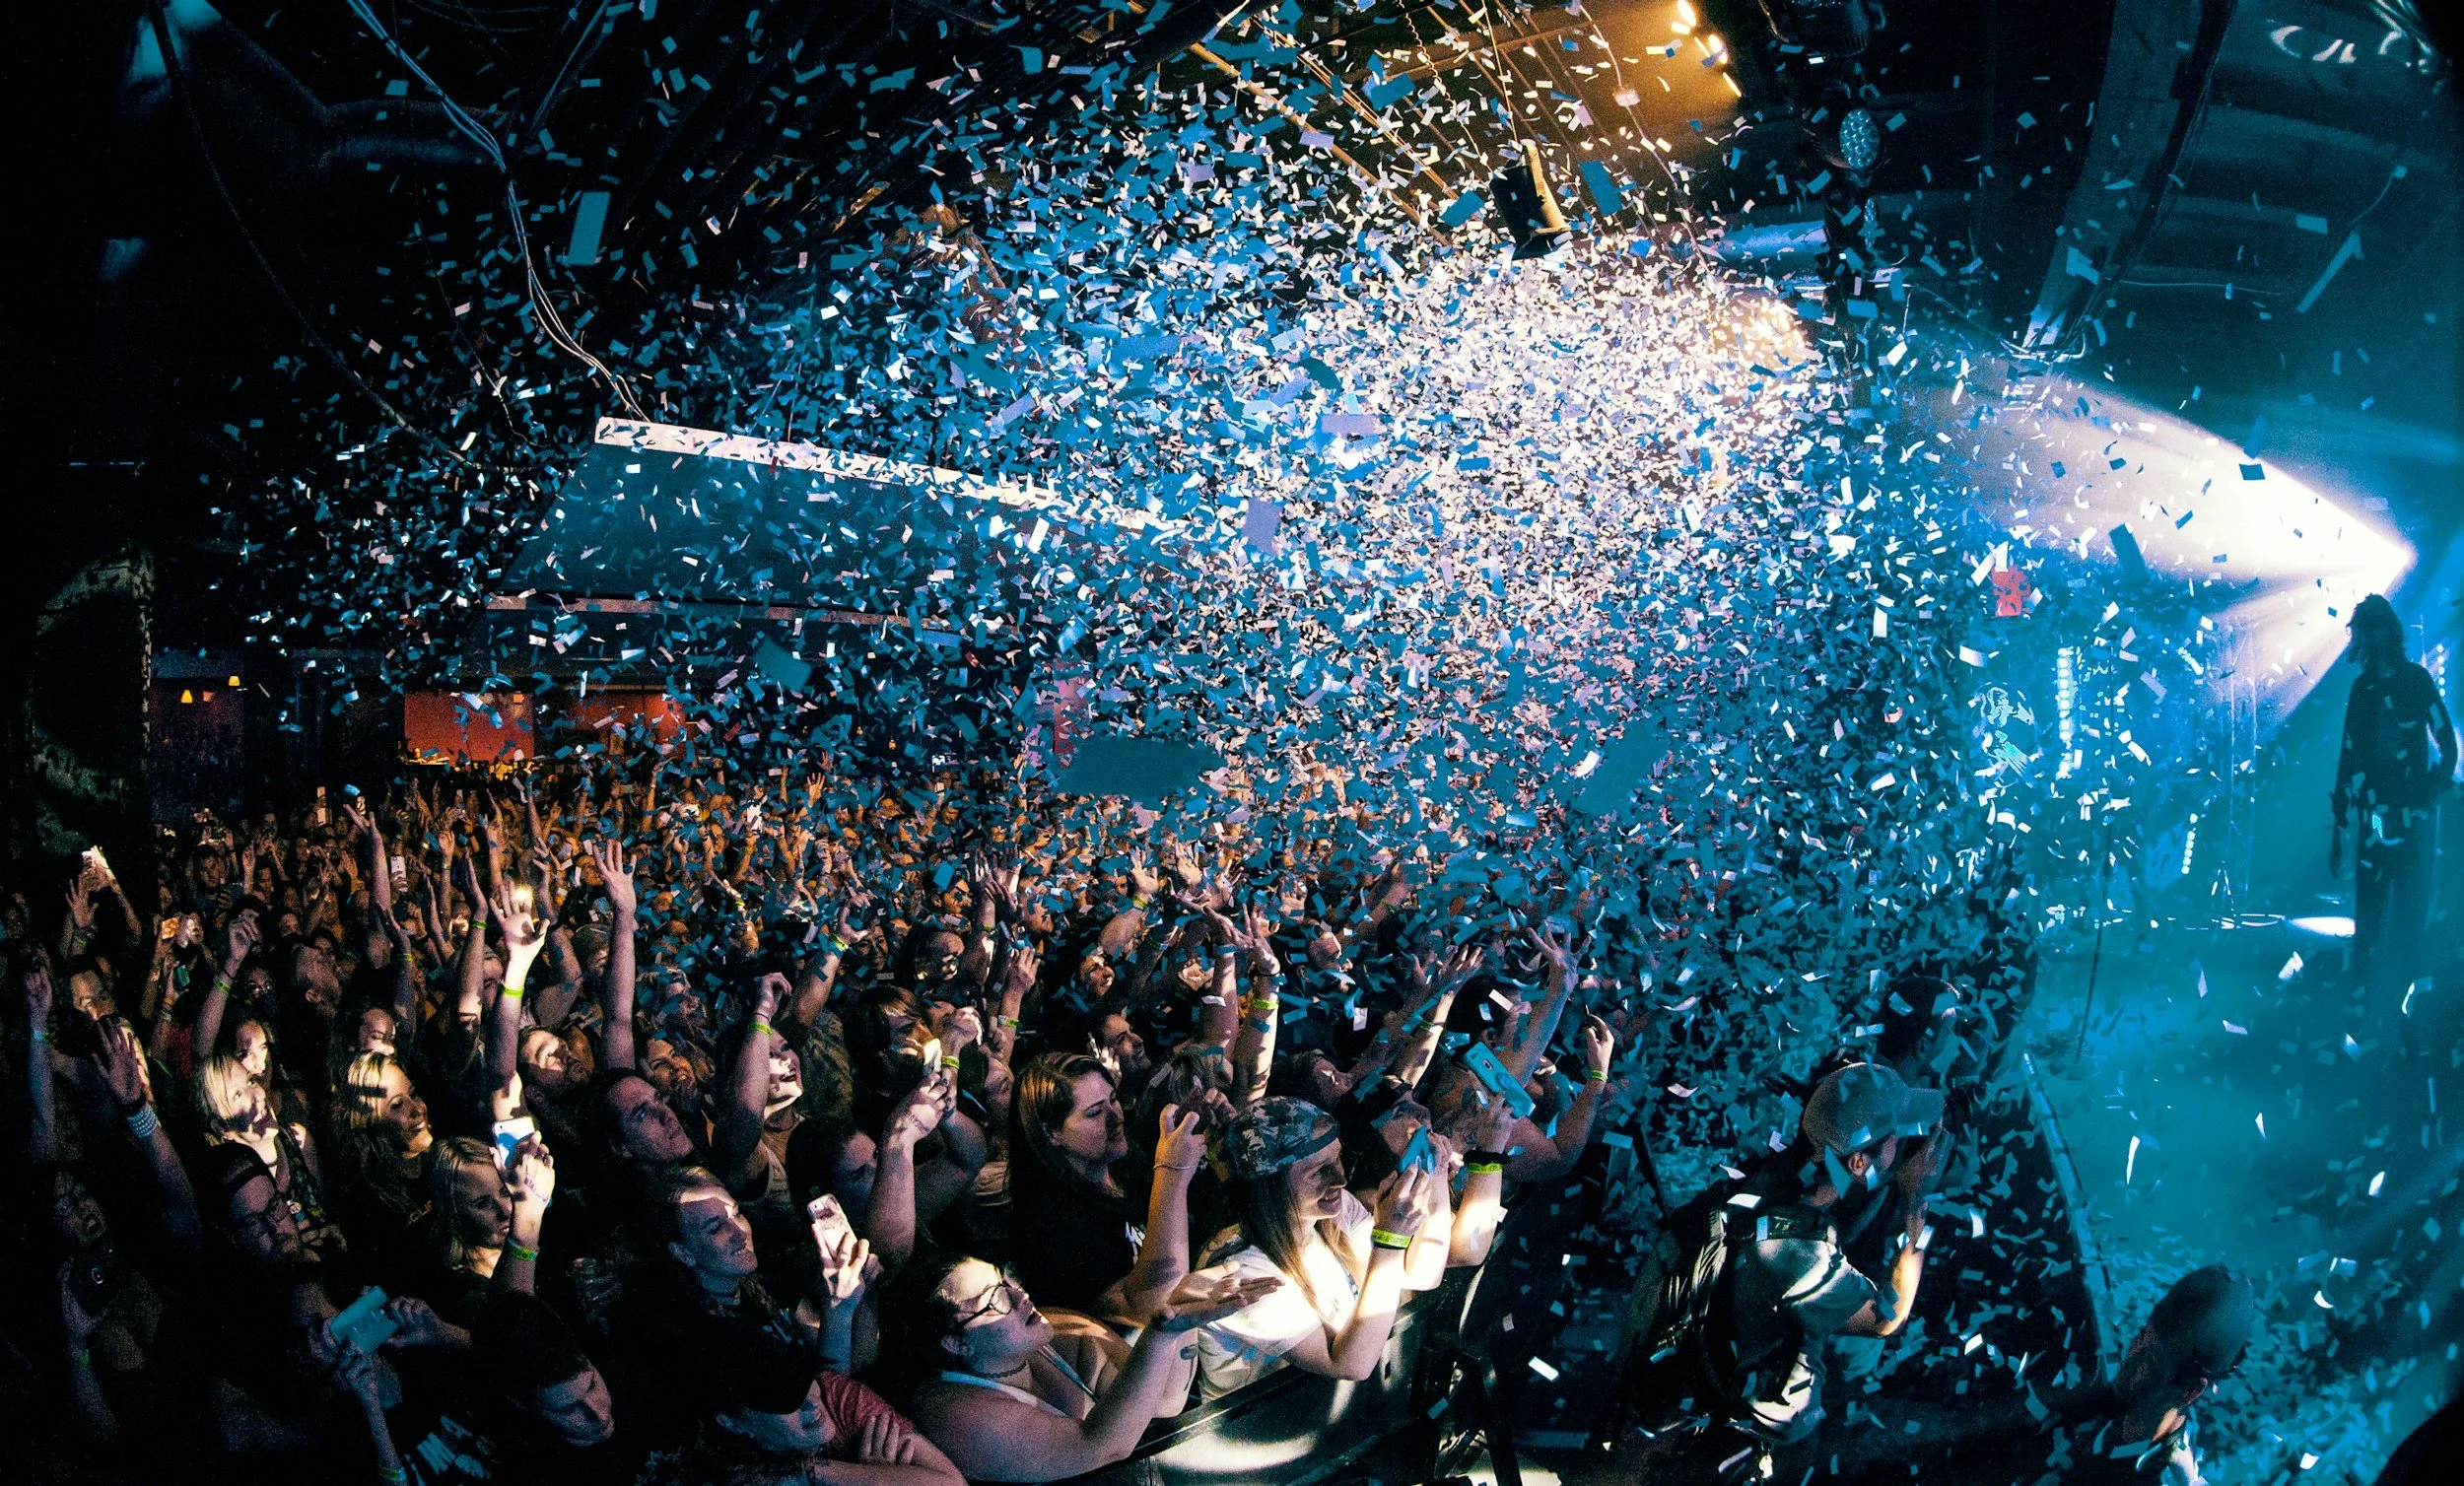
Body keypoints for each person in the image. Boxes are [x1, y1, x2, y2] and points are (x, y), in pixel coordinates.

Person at [1705, 1061, 1950, 1455]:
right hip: (1747, 1403)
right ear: (1857, 1163)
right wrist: (1916, 1204)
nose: (1905, 1142)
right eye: (1897, 1137)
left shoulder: (1783, 1173)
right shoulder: (1798, 1251)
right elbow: (1887, 1319)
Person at [1187, 1094, 1500, 1398]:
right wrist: (1389, 1240)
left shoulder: (1332, 1214)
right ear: (1271, 1186)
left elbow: (1421, 1275)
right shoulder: (1243, 1267)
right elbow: (1352, 1363)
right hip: (1262, 1435)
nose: (1340, 1179)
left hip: (1334, 1414)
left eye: (1337, 1159)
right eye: (1319, 1171)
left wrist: (1434, 1175)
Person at [892, 1254, 1278, 1483]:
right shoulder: (953, 1412)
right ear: (954, 1342)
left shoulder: (1052, 1330)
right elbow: (1103, 1447)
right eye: (997, 1298)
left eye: (1005, 1279)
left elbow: (1162, 1402)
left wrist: (1181, 1310)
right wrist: (1162, 1333)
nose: (1020, 1294)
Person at [2329, 593, 2457, 995]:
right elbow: (2347, 758)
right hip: (2374, 821)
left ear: (2385, 631)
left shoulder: (2415, 681)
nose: (2365, 640)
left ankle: (2408, 1009)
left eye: (2368, 630)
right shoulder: (2362, 690)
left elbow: (2447, 744)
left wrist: (2427, 793)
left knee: (2410, 916)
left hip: (2412, 821)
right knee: (2368, 916)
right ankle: (2367, 1002)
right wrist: (2339, 830)